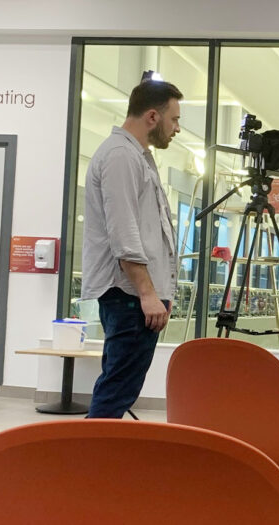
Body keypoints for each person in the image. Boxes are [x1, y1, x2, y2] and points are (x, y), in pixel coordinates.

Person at [81, 79, 183, 418]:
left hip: (135, 296)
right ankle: (91, 465)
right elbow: (124, 234)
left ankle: (98, 462)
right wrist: (147, 294)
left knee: (120, 386)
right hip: (129, 295)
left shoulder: (136, 156)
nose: (177, 128)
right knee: (116, 391)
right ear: (152, 117)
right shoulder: (120, 156)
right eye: (174, 119)